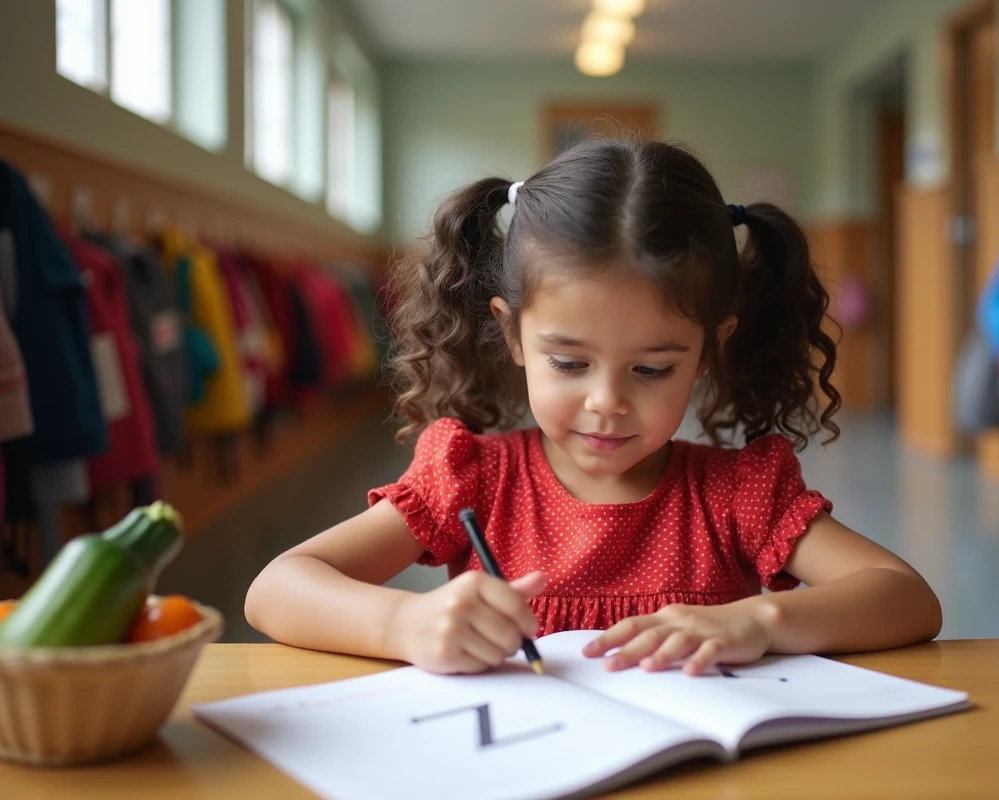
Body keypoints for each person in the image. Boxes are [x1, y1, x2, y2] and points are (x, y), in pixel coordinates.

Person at [245, 138, 942, 676]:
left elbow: (906, 597)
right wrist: (402, 626)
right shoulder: (472, 479)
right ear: (513, 334)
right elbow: (277, 589)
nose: (607, 402)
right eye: (570, 363)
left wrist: (761, 621)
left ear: (707, 350)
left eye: (651, 368)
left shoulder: (738, 494)